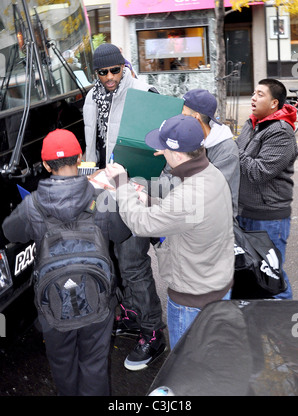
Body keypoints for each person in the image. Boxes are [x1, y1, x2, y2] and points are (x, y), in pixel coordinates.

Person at [2, 129, 131, 396]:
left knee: (62, 365)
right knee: (94, 365)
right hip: (98, 299)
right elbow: (122, 234)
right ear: (80, 158)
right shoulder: (101, 199)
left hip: (53, 304)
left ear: (47, 165)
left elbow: (9, 232)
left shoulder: (33, 205)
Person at [105, 115, 235, 350]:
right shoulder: (210, 173)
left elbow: (140, 224)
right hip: (216, 285)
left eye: (163, 148)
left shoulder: (190, 193)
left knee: (186, 369)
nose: (160, 152)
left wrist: (122, 183)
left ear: (176, 154)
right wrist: (148, 199)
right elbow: (188, 214)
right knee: (208, 361)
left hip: (192, 301)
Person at [83, 43, 166, 371]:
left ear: (124, 67)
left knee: (133, 261)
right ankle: (132, 314)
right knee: (114, 259)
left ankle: (152, 331)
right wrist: (88, 189)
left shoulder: (146, 93)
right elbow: (92, 147)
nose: (109, 77)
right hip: (104, 190)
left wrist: (149, 192)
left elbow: (160, 153)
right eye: (102, 72)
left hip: (137, 191)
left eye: (114, 70)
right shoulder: (92, 98)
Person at [236, 78, 298, 299]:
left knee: (272, 275)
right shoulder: (251, 123)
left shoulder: (281, 133)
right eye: (253, 93)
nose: (253, 98)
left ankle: (283, 325)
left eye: (260, 94)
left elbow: (258, 172)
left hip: (269, 217)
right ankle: (258, 322)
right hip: (244, 211)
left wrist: (232, 149)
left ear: (274, 103)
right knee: (252, 272)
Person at [182, 89, 240, 218]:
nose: (178, 118)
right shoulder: (187, 138)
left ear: (196, 117)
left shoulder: (227, 149)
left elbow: (206, 190)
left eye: (182, 114)